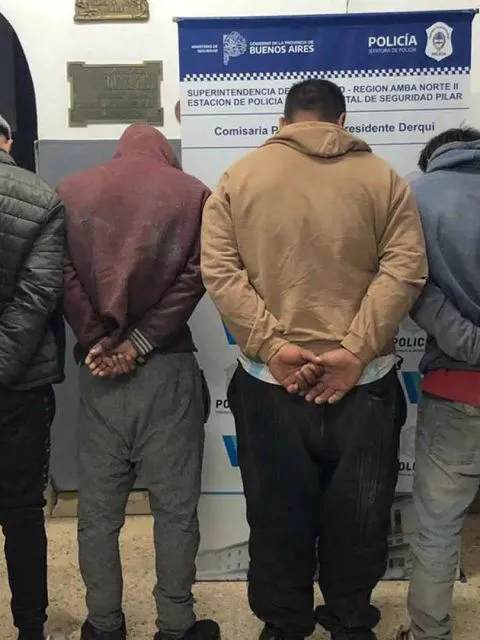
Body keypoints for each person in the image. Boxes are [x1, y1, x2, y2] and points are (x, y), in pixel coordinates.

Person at [201, 80, 427, 640]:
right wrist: (354, 351)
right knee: (360, 520)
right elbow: (405, 269)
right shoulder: (385, 180)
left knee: (276, 519)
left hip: (270, 385)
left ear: (282, 123)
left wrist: (273, 346)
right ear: (341, 121)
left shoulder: (238, 178)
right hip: (365, 386)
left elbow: (220, 272)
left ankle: (284, 625)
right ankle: (350, 623)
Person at [57, 124, 220, 640]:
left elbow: (63, 273)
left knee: (98, 515)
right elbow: (198, 276)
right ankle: (176, 623)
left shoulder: (72, 191)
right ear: (165, 155)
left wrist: (99, 339)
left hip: (99, 372)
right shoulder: (194, 194)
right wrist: (141, 342)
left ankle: (104, 624)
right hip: (167, 370)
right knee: (176, 511)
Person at [396, 127, 480, 640]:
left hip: (456, 386)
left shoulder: (414, 197)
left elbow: (412, 288)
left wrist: (467, 341)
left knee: (437, 526)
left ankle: (429, 633)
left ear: (433, 160)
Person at [0, 114, 66, 640]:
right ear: (7, 141)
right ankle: (30, 627)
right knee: (22, 509)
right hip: (20, 385)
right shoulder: (42, 197)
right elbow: (37, 294)